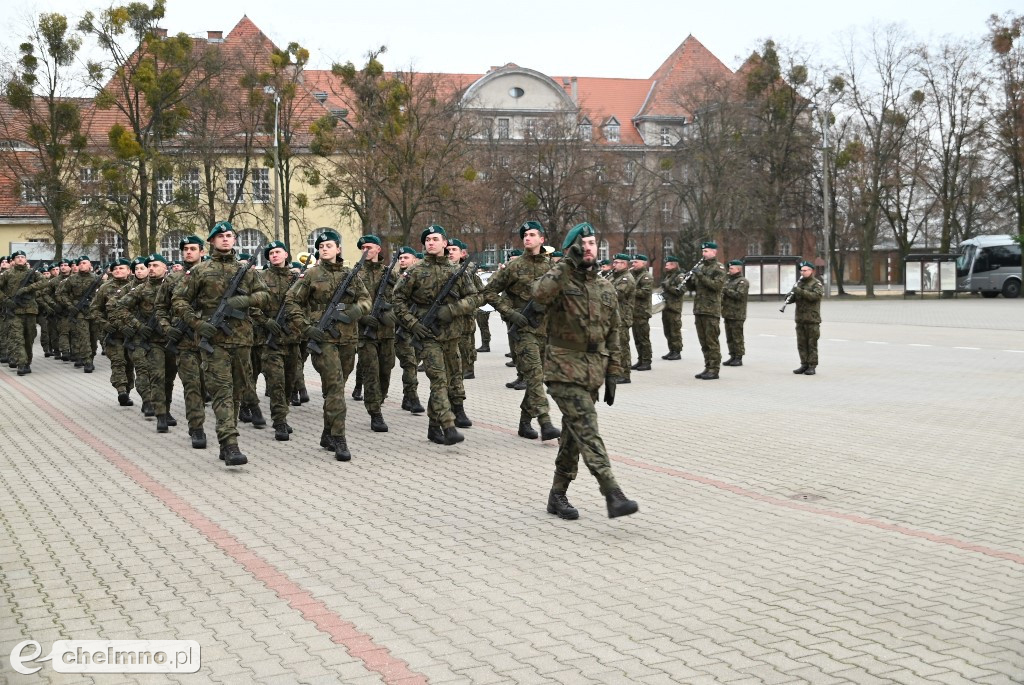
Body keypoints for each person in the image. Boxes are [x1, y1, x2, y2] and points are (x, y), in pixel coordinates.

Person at [532, 222, 638, 519]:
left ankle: (557, 495)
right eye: (583, 243)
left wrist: (614, 371)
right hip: (562, 369)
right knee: (587, 428)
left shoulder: (605, 286)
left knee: (573, 435)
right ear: (573, 249)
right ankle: (612, 493)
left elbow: (614, 331)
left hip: (593, 371)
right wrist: (567, 263)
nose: (589, 248)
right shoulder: (560, 280)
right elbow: (539, 294)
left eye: (592, 242)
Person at [172, 221, 270, 466]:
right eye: (220, 236)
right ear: (212, 242)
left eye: (229, 236)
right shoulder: (200, 271)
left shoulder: (246, 270)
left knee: (238, 391)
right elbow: (179, 300)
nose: (226, 239)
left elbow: (265, 296)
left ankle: (227, 441)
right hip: (214, 340)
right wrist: (196, 323)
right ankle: (230, 443)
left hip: (242, 340)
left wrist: (244, 301)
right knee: (221, 391)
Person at [284, 229, 371, 461]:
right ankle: (340, 438)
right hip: (323, 340)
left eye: (329, 245)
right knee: (334, 388)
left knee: (337, 389)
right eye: (321, 246)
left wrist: (357, 310)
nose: (324, 249)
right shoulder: (311, 275)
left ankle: (326, 433)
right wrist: (305, 327)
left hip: (348, 339)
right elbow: (291, 301)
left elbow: (366, 299)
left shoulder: (351, 275)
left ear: (338, 249)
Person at [392, 224, 479, 445]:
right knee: (438, 380)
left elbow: (475, 298)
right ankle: (448, 425)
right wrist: (412, 324)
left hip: (452, 335)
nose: (430, 242)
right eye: (427, 239)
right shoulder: (415, 271)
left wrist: (452, 310)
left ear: (445, 243)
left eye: (435, 239)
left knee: (450, 381)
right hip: (427, 334)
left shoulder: (456, 271)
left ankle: (433, 426)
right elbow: (398, 300)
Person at [480, 220, 560, 441]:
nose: (527, 237)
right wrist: (509, 312)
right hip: (523, 330)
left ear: (542, 239)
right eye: (525, 235)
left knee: (537, 379)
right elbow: (488, 292)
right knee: (533, 375)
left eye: (532, 234)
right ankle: (546, 423)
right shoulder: (514, 267)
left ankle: (525, 422)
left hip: (546, 331)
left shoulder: (553, 268)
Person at [112, 254, 178, 432]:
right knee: (157, 376)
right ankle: (161, 415)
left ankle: (167, 409)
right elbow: (120, 307)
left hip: (172, 340)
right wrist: (138, 326)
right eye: (149, 266)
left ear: (165, 268)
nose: (151, 268)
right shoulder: (141, 289)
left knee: (169, 379)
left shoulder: (174, 288)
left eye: (156, 265)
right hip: (153, 342)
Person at [159, 236, 209, 448]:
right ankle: (196, 428)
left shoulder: (211, 274)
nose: (189, 252)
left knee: (210, 386)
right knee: (192, 386)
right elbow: (160, 308)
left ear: (201, 251)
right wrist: (167, 328)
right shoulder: (172, 279)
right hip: (185, 342)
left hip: (210, 340)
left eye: (193, 249)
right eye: (185, 249)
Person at [254, 240, 298, 441]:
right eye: (271, 253)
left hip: (292, 338)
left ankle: (284, 414)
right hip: (269, 340)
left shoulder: (297, 279)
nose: (274, 255)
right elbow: (251, 305)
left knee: (290, 381)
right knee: (276, 382)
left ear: (286, 255)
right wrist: (265, 321)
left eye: (278, 252)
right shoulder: (260, 278)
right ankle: (279, 421)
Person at [354, 234, 398, 433]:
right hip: (364, 333)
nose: (366, 250)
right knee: (370, 372)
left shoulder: (390, 274)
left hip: (387, 332)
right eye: (362, 247)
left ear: (379, 249)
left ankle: (379, 400)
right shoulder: (354, 274)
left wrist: (390, 314)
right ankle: (375, 412)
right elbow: (345, 303)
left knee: (385, 371)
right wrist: (361, 317)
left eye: (369, 247)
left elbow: (401, 300)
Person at [91, 258, 137, 406]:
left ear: (129, 270)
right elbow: (94, 309)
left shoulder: (136, 287)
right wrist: (104, 324)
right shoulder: (105, 288)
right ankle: (121, 390)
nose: (118, 271)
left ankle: (128, 390)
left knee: (130, 364)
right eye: (115, 268)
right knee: (118, 362)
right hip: (113, 334)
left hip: (131, 333)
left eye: (121, 268)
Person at [0, 251, 48, 375]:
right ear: (13, 260)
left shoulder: (32, 273)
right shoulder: (7, 274)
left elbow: (44, 282)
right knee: (17, 338)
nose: (20, 259)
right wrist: (6, 301)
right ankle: (21, 363)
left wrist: (28, 288)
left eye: (23, 257)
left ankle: (27, 362)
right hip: (14, 311)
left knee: (29, 338)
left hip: (30, 310)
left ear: (26, 260)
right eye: (18, 257)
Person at [392, 247, 425, 414]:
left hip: (418, 328)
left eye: (406, 257)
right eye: (400, 258)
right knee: (410, 363)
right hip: (400, 329)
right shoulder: (392, 278)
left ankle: (407, 397)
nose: (402, 260)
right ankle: (413, 398)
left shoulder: (419, 277)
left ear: (415, 259)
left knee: (413, 363)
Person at [687, 241, 726, 380]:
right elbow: (693, 288)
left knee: (712, 341)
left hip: (711, 310)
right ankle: (707, 366)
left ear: (714, 252)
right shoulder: (701, 267)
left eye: (706, 251)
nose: (704, 254)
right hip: (699, 309)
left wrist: (701, 276)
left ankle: (714, 369)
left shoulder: (719, 268)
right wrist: (688, 280)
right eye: (703, 252)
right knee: (703, 341)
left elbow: (716, 286)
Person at [792, 261, 824, 375]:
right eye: (801, 270)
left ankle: (812, 365)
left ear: (811, 271)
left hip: (812, 319)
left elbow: (815, 297)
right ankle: (804, 364)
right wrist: (790, 296)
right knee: (801, 343)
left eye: (805, 270)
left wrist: (799, 291)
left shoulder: (816, 284)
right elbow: (794, 298)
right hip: (800, 319)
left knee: (811, 344)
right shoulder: (799, 283)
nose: (802, 272)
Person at [609, 254, 635, 384]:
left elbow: (617, 294)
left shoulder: (626, 279)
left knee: (623, 346)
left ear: (624, 264)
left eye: (617, 262)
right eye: (614, 262)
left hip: (623, 318)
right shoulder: (617, 277)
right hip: (616, 317)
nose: (614, 265)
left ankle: (625, 374)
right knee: (616, 346)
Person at [722, 259, 750, 367]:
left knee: (737, 337)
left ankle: (739, 357)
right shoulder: (729, 280)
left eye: (732, 268)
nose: (729, 270)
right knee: (729, 337)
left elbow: (739, 295)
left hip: (737, 314)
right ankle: (732, 355)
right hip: (728, 313)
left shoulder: (742, 281)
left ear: (738, 269)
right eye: (729, 268)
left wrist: (725, 290)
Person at [629, 254, 654, 371]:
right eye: (633, 262)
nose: (633, 264)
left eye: (636, 262)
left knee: (643, 338)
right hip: (634, 311)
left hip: (642, 312)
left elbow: (644, 293)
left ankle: (647, 361)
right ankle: (640, 359)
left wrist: (629, 290)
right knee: (637, 338)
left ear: (643, 263)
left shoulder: (646, 276)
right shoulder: (633, 275)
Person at [660, 256, 685, 360]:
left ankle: (677, 351)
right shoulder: (669, 276)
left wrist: (668, 287)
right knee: (667, 330)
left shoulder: (679, 276)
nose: (666, 266)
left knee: (675, 330)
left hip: (674, 308)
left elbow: (681, 290)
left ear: (674, 265)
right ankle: (671, 350)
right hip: (666, 306)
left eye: (668, 264)